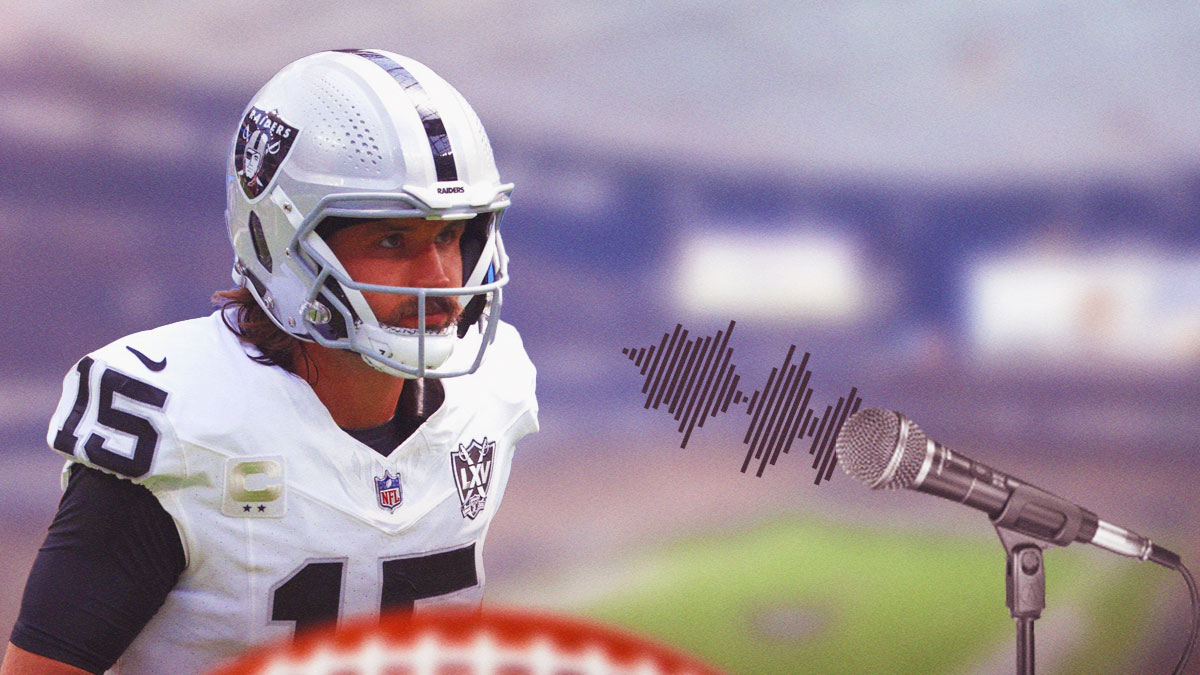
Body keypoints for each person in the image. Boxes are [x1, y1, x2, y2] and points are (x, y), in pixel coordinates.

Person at [1, 49, 538, 675]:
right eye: (392, 239)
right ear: (280, 242)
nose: (441, 280)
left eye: (450, 235)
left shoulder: (490, 390)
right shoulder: (184, 423)